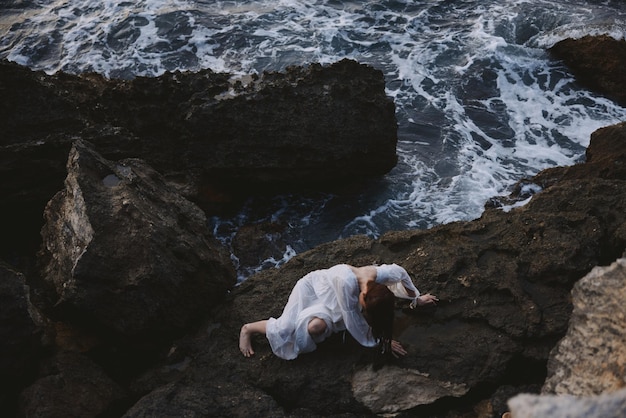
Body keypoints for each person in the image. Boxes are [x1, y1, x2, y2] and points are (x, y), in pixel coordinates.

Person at [239, 263, 438, 360]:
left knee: (316, 327)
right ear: (362, 300)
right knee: (285, 329)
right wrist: (382, 342)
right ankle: (248, 329)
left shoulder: (377, 276)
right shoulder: (347, 285)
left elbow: (402, 274)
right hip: (314, 289)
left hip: (337, 299)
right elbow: (353, 322)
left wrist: (416, 299)